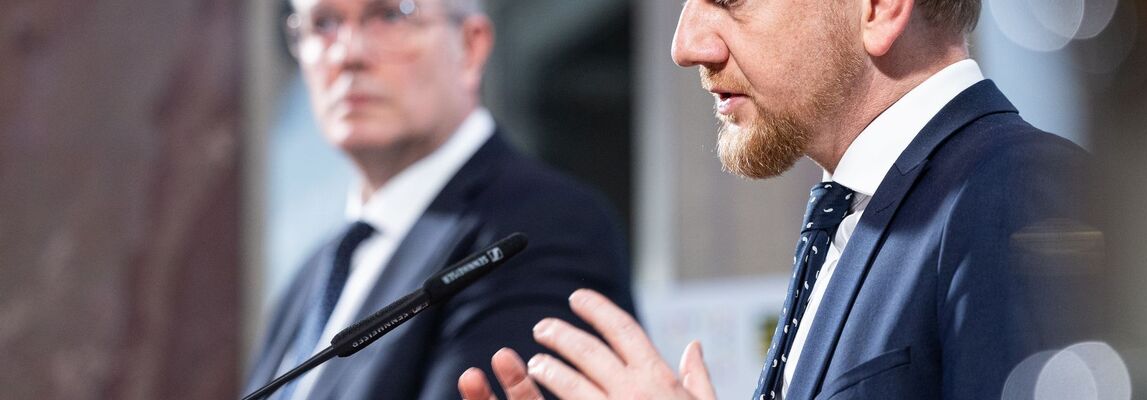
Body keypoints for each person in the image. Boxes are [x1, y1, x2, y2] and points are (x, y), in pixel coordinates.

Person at [458, 0, 1093, 398]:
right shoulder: (853, 216)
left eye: (728, 1)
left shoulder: (1019, 191)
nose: (686, 46)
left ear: (879, 8)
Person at [242, 0, 635, 398]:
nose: (348, 54)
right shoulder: (312, 277)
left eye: (391, 15)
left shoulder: (540, 228)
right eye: (323, 23)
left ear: (470, 46)